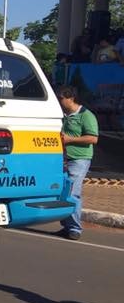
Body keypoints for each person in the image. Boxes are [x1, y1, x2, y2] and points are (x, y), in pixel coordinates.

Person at [56, 85, 99, 241]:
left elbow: (93, 138)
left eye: (61, 98)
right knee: (62, 191)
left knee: (72, 192)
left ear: (71, 98)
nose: (60, 101)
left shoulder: (86, 116)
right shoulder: (64, 116)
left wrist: (70, 139)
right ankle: (67, 226)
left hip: (79, 159)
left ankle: (75, 228)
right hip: (63, 159)